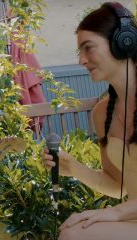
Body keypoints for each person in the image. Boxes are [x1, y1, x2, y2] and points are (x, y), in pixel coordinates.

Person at [43, 2, 137, 240]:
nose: (82, 60)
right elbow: (118, 186)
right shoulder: (102, 113)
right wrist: (74, 168)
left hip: (127, 216)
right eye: (79, 52)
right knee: (72, 230)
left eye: (89, 48)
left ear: (124, 42)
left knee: (75, 234)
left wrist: (116, 213)